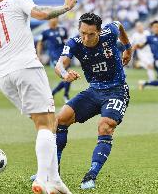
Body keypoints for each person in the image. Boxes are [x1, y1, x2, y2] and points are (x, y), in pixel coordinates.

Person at [0, 0, 77, 193]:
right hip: (27, 68)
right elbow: (41, 13)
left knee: (47, 124)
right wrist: (66, 7)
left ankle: (55, 180)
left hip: (4, 77)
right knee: (46, 125)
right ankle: (41, 180)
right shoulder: (18, 1)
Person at [55, 12, 132, 189]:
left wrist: (128, 48)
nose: (86, 38)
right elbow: (59, 65)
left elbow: (119, 24)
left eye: (91, 34)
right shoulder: (74, 43)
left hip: (117, 90)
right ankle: (53, 171)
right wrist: (65, 74)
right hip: (94, 91)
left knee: (105, 125)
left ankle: (91, 175)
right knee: (60, 119)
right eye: (82, 33)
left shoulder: (109, 32)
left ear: (99, 32)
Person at [37, 18, 71, 103]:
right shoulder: (46, 32)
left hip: (64, 56)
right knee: (66, 75)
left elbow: (67, 42)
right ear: (49, 20)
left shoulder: (63, 30)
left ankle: (53, 93)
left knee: (67, 76)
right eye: (53, 18)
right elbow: (39, 43)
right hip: (54, 56)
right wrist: (39, 55)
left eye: (56, 18)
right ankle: (65, 95)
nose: (54, 20)